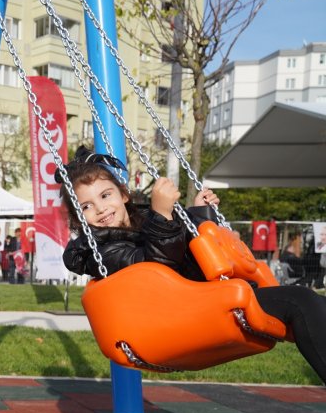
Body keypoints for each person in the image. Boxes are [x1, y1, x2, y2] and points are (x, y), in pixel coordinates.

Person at [60, 146, 326, 384]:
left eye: (106, 195)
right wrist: (162, 215)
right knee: (299, 302)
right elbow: (157, 266)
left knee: (309, 306)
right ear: (77, 219)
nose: (101, 208)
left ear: (124, 195)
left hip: (200, 301)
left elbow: (183, 251)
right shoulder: (99, 252)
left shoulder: (146, 224)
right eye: (86, 206)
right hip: (176, 319)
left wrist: (196, 214)